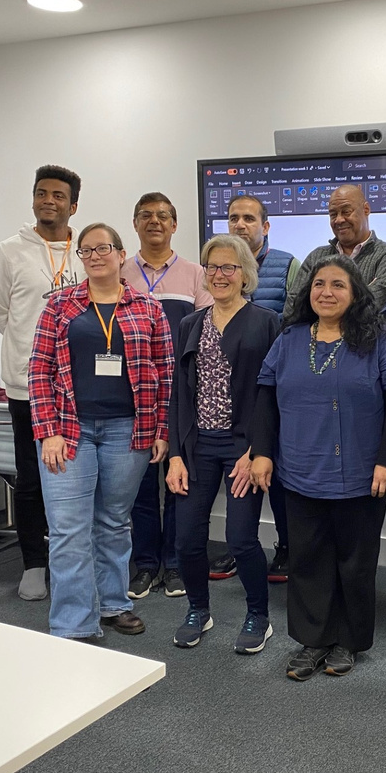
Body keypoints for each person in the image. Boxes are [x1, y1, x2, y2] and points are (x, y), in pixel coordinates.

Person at [252, 256, 386, 681]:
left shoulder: (379, 341)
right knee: (308, 560)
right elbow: (265, 398)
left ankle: (349, 640)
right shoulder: (289, 339)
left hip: (362, 475)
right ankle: (313, 640)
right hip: (300, 472)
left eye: (338, 284)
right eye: (319, 284)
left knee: (355, 564)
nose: (326, 291)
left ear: (355, 292)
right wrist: (261, 452)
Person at [30, 223, 174, 640]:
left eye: (103, 248)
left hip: (128, 431)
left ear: (121, 253)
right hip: (68, 430)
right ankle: (73, 624)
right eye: (86, 250)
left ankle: (113, 603)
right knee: (68, 528)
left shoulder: (148, 308)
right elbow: (39, 369)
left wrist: (162, 429)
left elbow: (165, 375)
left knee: (112, 521)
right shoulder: (59, 305)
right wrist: (48, 430)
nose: (94, 256)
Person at [167, 234, 281, 654]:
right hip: (196, 446)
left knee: (240, 538)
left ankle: (258, 615)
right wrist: (175, 454)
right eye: (212, 267)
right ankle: (199, 609)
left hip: (242, 448)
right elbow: (180, 391)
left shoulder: (266, 322)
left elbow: (273, 394)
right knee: (186, 540)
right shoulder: (190, 325)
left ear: (245, 274)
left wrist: (257, 450)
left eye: (229, 267)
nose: (219, 274)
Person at [0, 164, 85, 601]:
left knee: (78, 477)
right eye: (42, 193)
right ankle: (33, 564)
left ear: (73, 205)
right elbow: (0, 314)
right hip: (28, 386)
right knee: (31, 477)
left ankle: (75, 562)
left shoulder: (88, 253)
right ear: (33, 200)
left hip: (79, 386)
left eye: (58, 195)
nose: (49, 201)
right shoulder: (7, 253)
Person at [121, 193, 212, 599]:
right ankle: (145, 564)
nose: (154, 222)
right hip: (133, 395)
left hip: (182, 394)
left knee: (179, 481)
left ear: (175, 225)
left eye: (163, 216)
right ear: (135, 225)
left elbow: (210, 330)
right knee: (140, 484)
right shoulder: (118, 272)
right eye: (146, 216)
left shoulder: (196, 274)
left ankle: (175, 564)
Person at [225, 193, 300, 582]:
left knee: (278, 472)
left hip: (275, 386)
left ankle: (286, 547)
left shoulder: (288, 265)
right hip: (231, 386)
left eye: (249, 218)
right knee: (238, 468)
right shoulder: (219, 268)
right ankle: (242, 546)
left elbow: (297, 323)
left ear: (265, 226)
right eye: (234, 218)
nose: (240, 225)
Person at [282, 184, 386, 322]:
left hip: (369, 343)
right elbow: (292, 309)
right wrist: (359, 294)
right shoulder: (316, 257)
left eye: (346, 212)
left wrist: (322, 307)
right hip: (313, 343)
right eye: (333, 214)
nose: (339, 220)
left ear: (366, 209)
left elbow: (373, 304)